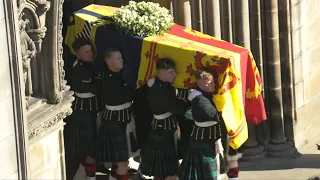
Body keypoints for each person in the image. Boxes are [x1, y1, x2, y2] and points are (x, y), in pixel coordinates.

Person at [139, 58, 188, 180]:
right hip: (162, 130)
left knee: (164, 170)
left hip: (168, 129)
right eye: (170, 72)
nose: (174, 75)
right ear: (161, 73)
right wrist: (191, 107)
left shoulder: (165, 86)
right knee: (166, 170)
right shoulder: (158, 90)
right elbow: (173, 107)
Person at [95, 48, 139, 180]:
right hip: (114, 120)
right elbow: (124, 95)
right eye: (118, 58)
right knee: (122, 160)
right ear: (109, 61)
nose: (122, 60)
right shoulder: (107, 79)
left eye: (121, 57)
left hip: (126, 118)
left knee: (120, 161)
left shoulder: (122, 74)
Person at [66, 37, 103, 180]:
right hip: (84, 115)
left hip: (93, 112)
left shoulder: (90, 66)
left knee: (92, 148)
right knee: (89, 150)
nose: (91, 54)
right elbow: (96, 89)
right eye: (86, 51)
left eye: (91, 50)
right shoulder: (79, 70)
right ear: (77, 54)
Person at [179, 68, 226, 180]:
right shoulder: (200, 99)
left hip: (210, 141)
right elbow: (217, 116)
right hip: (202, 144)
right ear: (203, 83)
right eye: (211, 82)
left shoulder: (206, 94)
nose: (214, 84)